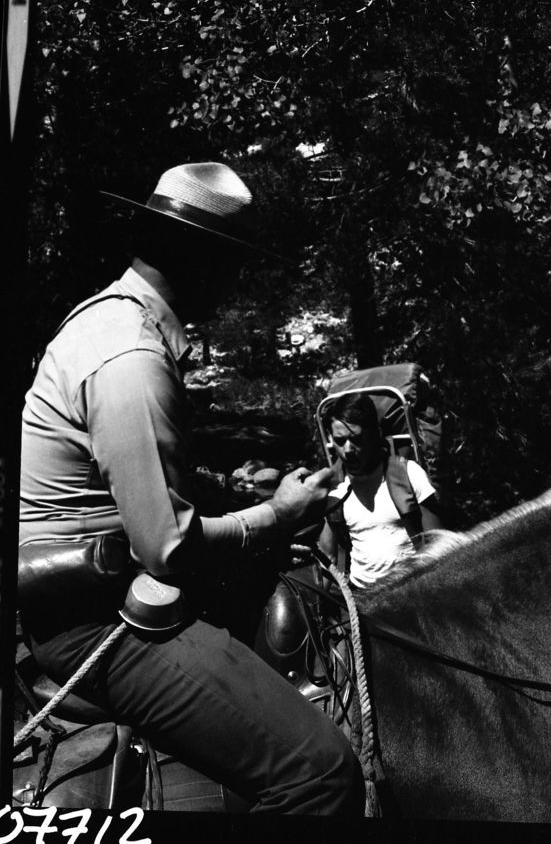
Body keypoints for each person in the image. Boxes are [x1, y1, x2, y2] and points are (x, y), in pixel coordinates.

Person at [18, 162, 363, 816]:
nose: (235, 285)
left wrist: (233, 498)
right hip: (95, 618)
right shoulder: (132, 359)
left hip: (92, 592)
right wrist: (276, 513)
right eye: (232, 264)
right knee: (320, 771)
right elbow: (167, 549)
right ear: (199, 260)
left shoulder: (108, 322)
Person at [321, 392, 443, 589]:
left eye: (356, 439)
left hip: (410, 591)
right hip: (361, 596)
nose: (348, 449)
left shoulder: (408, 474)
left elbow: (439, 547)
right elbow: (328, 558)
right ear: (330, 439)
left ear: (375, 434)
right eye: (340, 441)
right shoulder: (334, 489)